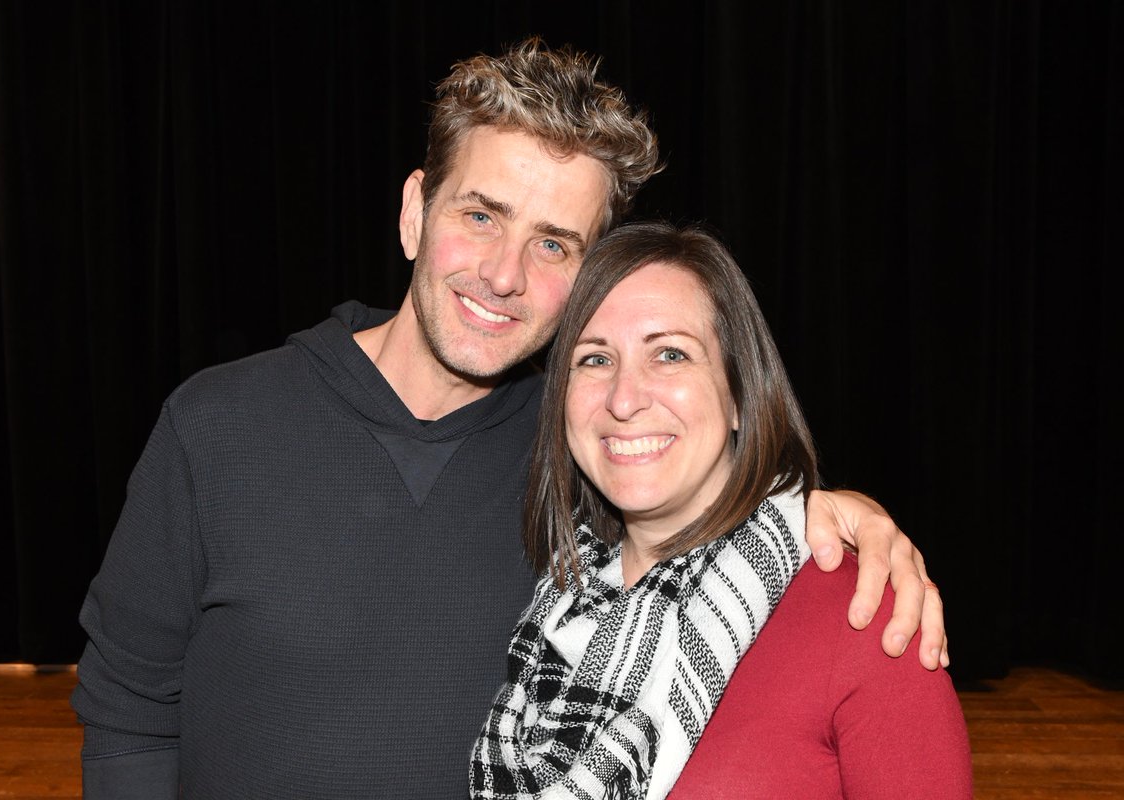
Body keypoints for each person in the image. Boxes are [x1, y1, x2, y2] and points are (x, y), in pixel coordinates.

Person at [72, 40, 946, 799]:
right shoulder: (217, 425)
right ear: (416, 211)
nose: (503, 274)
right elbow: (129, 709)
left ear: (590, 276)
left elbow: (707, 522)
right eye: (480, 215)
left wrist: (829, 511)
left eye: (554, 244)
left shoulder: (588, 449)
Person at [470, 221, 970, 799]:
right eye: (594, 359)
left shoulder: (864, 614)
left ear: (738, 394)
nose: (624, 398)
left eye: (670, 354)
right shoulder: (540, 596)